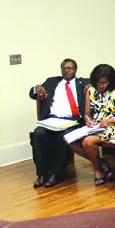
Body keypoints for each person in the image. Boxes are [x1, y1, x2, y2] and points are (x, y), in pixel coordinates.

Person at [29, 58, 89, 188]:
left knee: (64, 136)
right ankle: (41, 174)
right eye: (64, 68)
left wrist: (92, 86)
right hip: (52, 120)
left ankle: (55, 174)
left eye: (69, 68)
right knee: (38, 134)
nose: (66, 71)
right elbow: (32, 94)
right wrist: (36, 88)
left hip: (72, 121)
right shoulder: (51, 82)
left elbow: (101, 84)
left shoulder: (83, 83)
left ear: (75, 70)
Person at [69, 64, 115, 185]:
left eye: (104, 83)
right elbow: (87, 114)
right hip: (96, 127)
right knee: (71, 141)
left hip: (114, 127)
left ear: (110, 81)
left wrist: (110, 120)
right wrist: (88, 120)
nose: (100, 86)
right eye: (98, 83)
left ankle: (97, 170)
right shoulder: (91, 91)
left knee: (87, 142)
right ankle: (101, 163)